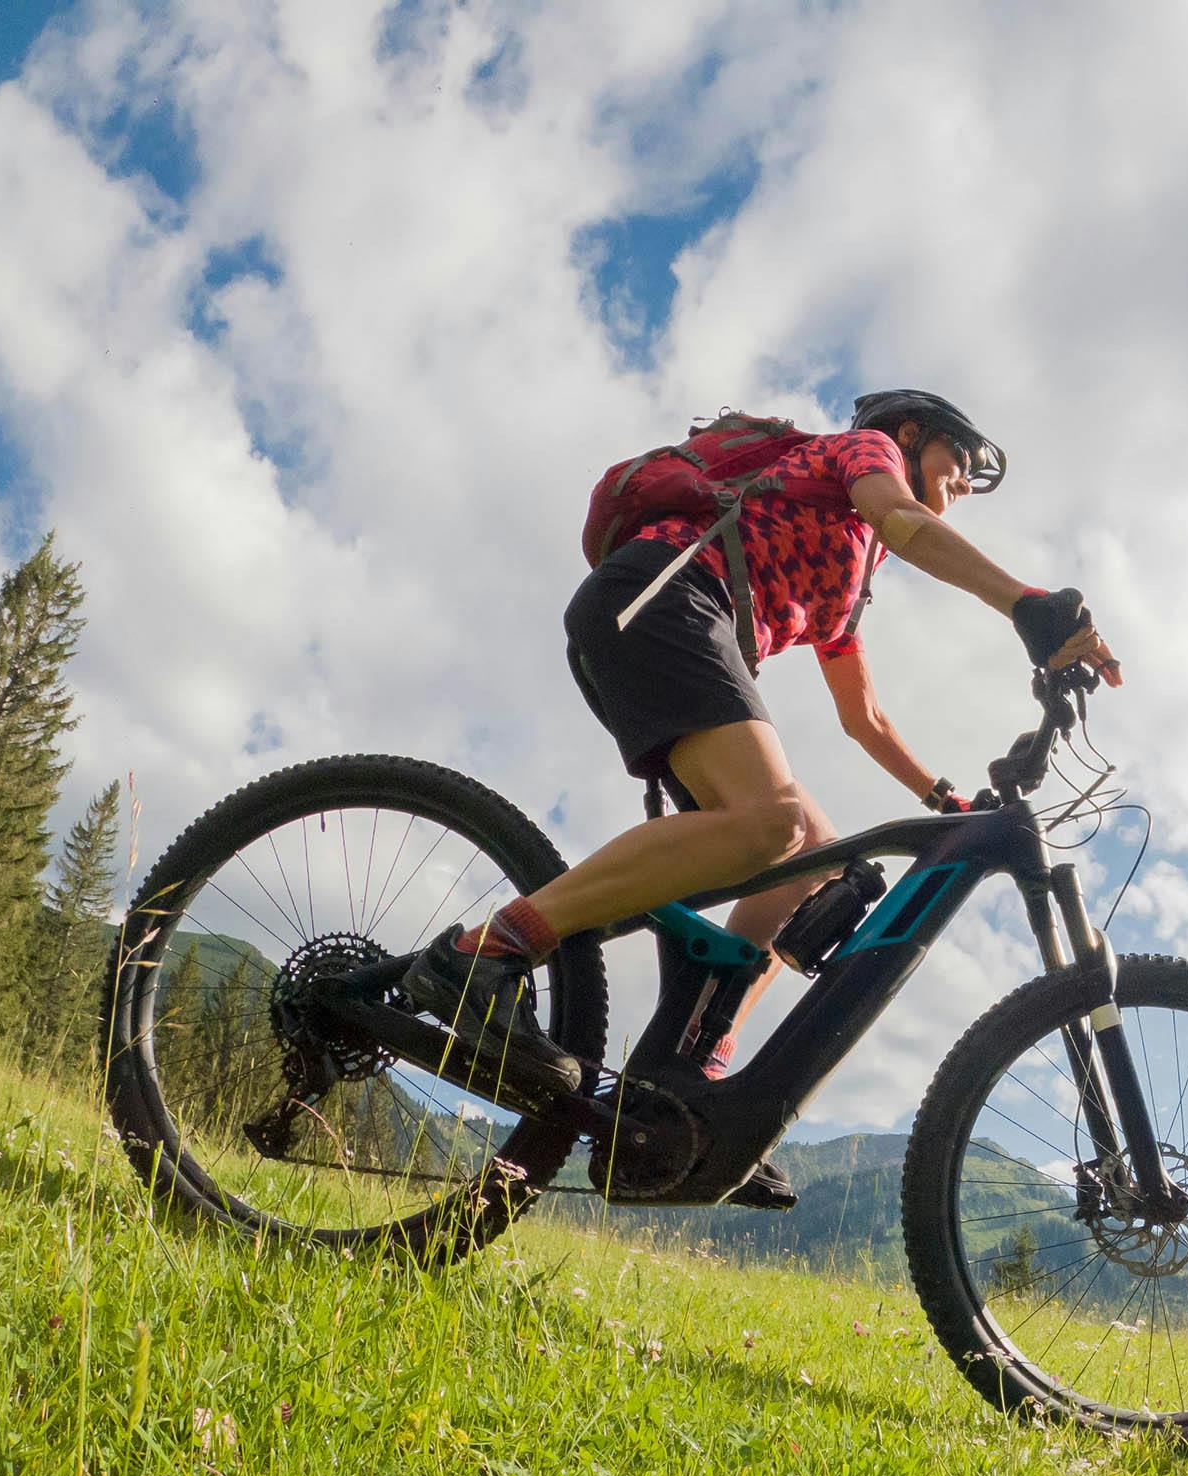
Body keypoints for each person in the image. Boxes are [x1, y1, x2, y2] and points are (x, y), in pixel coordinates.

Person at [402, 389, 1122, 1115]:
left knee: (815, 857)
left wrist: (944, 800)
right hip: (663, 594)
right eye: (960, 460)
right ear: (910, 434)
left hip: (681, 621)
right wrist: (1026, 603)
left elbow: (863, 716)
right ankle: (486, 954)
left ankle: (688, 1065)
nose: (964, 482)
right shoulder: (864, 455)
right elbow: (903, 520)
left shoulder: (848, 565)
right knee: (771, 820)